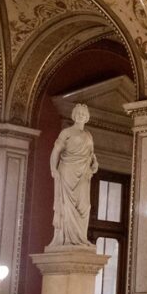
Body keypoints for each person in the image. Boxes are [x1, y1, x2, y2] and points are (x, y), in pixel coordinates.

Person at [48, 103, 98, 248]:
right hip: (67, 171)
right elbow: (56, 151)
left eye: (83, 114)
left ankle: (81, 238)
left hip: (84, 173)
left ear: (87, 117)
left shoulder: (88, 135)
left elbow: (91, 156)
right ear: (74, 115)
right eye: (79, 113)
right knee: (67, 205)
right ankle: (67, 239)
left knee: (85, 206)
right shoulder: (66, 132)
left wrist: (95, 164)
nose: (81, 116)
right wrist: (53, 168)